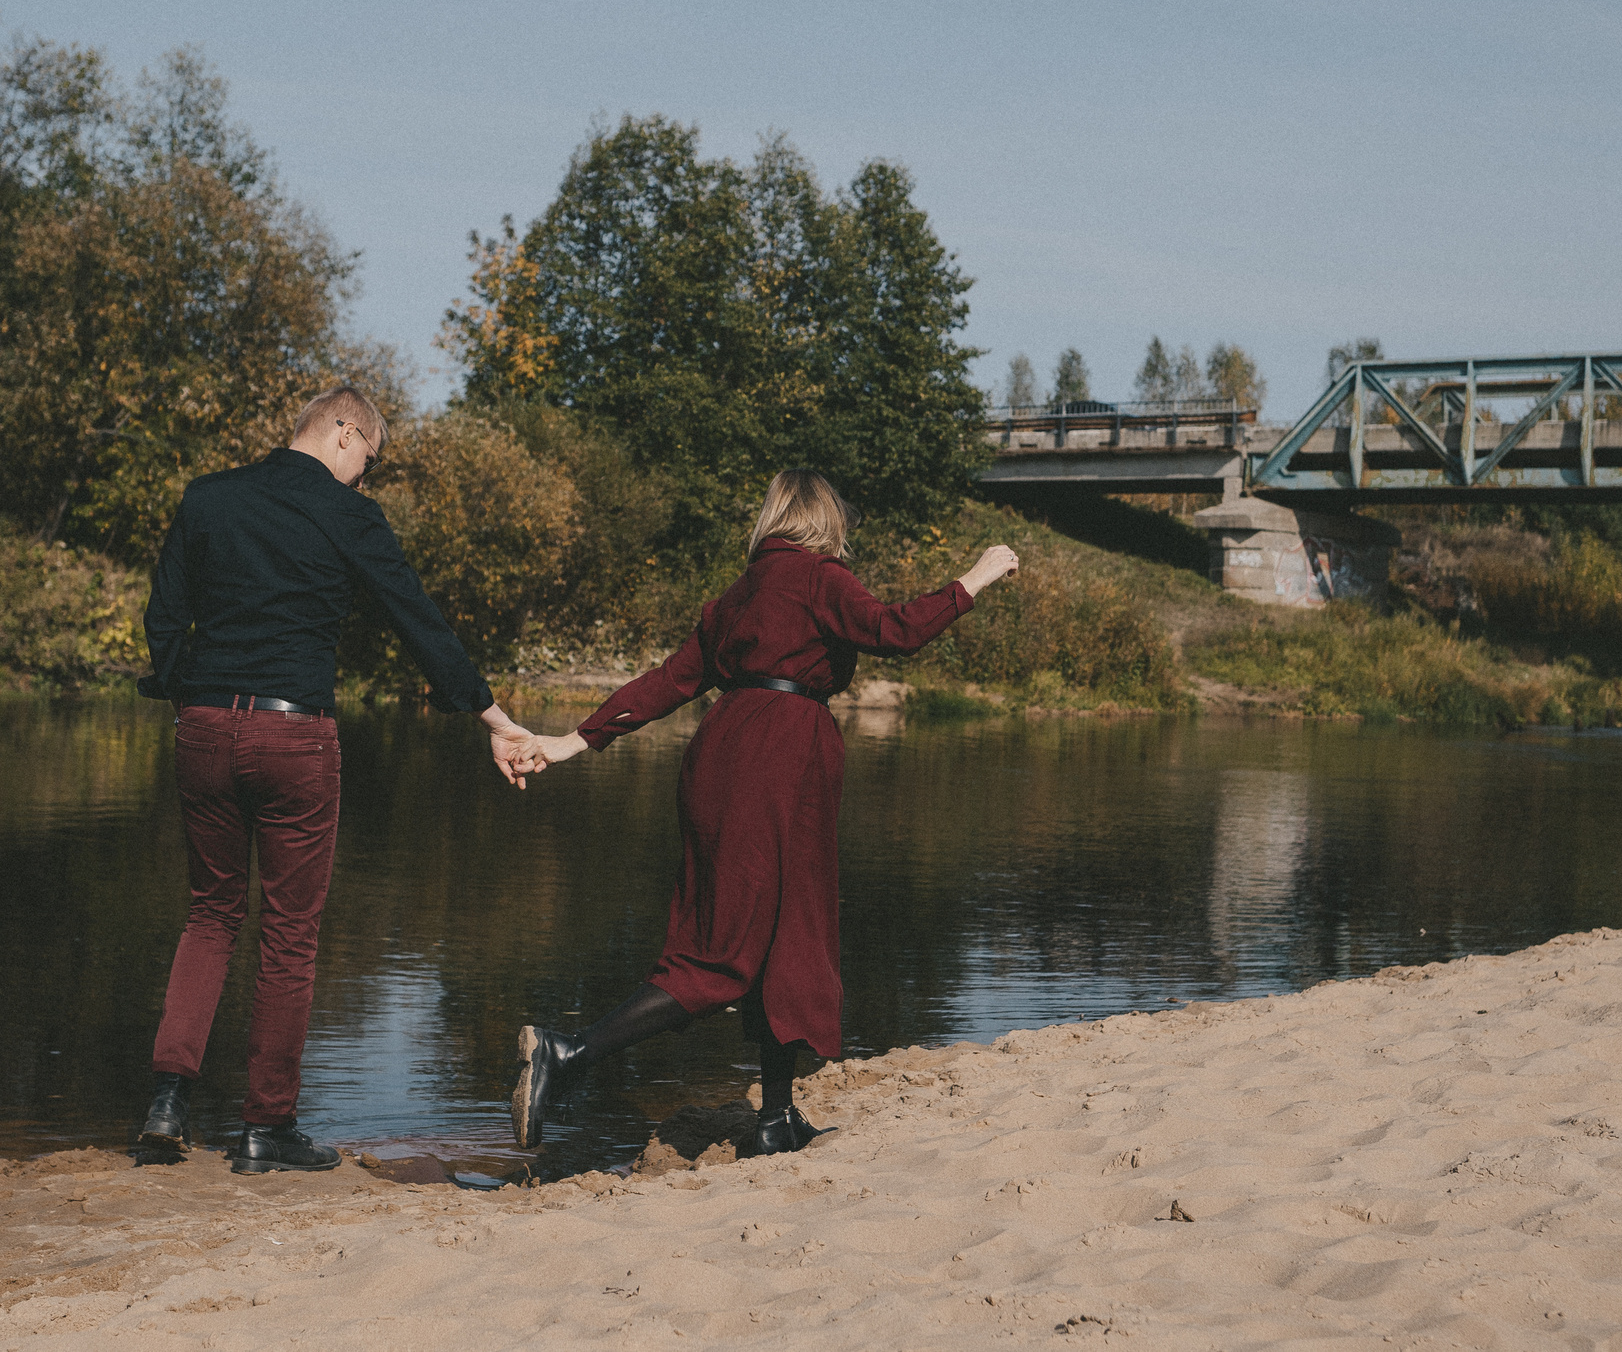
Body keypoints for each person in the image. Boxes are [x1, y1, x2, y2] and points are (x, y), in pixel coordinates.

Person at [506, 470, 1018, 1158]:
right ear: (822, 521)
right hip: (778, 764)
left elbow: (670, 681)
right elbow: (894, 630)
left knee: (788, 939)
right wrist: (974, 578)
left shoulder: (740, 593)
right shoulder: (819, 578)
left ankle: (774, 1119)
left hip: (731, 757)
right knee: (721, 955)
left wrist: (572, 740)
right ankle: (569, 1052)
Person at [134, 384, 542, 1174]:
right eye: (370, 461)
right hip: (295, 737)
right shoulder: (349, 515)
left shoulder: (208, 498)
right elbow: (415, 616)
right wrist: (493, 718)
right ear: (343, 431)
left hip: (206, 729)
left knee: (210, 913)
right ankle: (265, 1128)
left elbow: (162, 618)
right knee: (288, 933)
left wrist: (194, 693)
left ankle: (167, 1101)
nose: (366, 479)